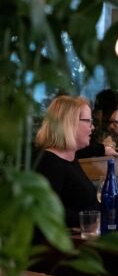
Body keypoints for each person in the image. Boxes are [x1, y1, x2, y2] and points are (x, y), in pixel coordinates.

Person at [34, 95, 99, 227]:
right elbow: (49, 212)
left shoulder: (70, 158)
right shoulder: (49, 163)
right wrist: (91, 220)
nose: (92, 127)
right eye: (89, 121)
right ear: (70, 123)